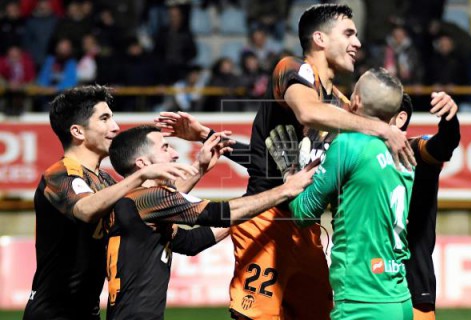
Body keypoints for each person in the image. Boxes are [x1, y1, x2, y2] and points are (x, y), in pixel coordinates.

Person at [156, 4, 416, 319]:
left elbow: (268, 158)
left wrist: (209, 135)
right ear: (320, 38)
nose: (358, 42)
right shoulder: (292, 69)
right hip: (264, 220)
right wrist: (382, 129)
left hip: (305, 226)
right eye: (349, 33)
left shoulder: (345, 109)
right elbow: (307, 112)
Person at [105, 125, 317, 320]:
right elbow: (220, 213)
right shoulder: (149, 198)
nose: (175, 154)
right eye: (165, 147)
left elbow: (191, 242)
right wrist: (284, 190)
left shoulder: (135, 202)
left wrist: (251, 209)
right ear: (142, 163)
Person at [23, 85, 197, 320]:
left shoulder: (104, 180)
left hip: (88, 311)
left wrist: (202, 166)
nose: (115, 127)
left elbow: (152, 206)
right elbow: (84, 209)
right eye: (104, 118)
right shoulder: (58, 174)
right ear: (78, 132)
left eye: (112, 117)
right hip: (52, 313)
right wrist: (142, 175)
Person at [289, 68, 414, 320]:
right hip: (399, 298)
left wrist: (290, 174)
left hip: (361, 300)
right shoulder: (405, 156)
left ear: (355, 101)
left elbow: (302, 213)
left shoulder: (348, 145)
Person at [393, 93, 460, 320]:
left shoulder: (414, 151)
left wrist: (449, 119)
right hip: (368, 291)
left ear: (400, 118)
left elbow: (443, 145)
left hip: (413, 291)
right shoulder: (356, 156)